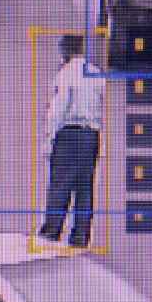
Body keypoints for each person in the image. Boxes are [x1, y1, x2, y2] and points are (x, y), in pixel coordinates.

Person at [38, 34, 105, 248]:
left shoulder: (66, 74)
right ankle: (80, 236)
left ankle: (52, 230)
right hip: (91, 134)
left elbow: (59, 107)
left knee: (60, 184)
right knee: (85, 186)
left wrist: (49, 136)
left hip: (69, 133)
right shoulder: (96, 73)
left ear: (65, 50)